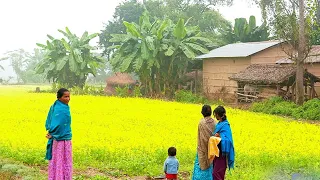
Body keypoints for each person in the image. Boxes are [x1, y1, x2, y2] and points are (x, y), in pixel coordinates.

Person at [45, 88, 73, 180]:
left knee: (61, 160)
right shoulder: (59, 108)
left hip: (64, 138)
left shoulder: (59, 106)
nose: (68, 99)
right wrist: (52, 133)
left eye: (69, 96)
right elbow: (56, 123)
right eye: (65, 96)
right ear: (59, 97)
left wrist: (51, 133)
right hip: (59, 140)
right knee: (60, 160)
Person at [192, 105, 216, 180]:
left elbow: (201, 137)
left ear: (202, 112)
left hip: (202, 150)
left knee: (200, 168)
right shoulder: (215, 122)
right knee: (211, 168)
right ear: (211, 112)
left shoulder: (201, 123)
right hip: (212, 150)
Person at [212, 106, 235, 180]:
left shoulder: (225, 125)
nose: (215, 116)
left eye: (215, 114)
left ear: (219, 115)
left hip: (222, 153)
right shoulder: (219, 124)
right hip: (217, 151)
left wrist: (220, 136)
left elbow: (228, 140)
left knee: (217, 173)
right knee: (216, 172)